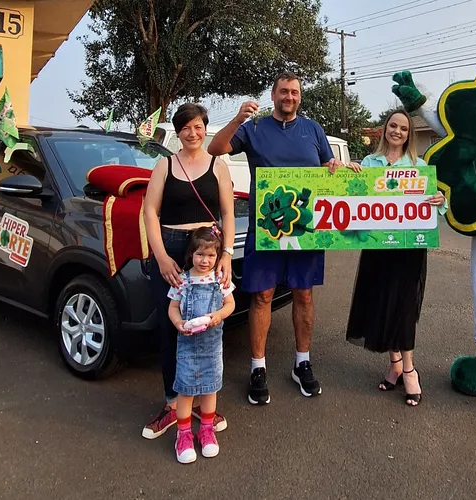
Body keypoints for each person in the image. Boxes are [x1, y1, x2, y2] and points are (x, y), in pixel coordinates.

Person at [207, 71, 358, 405]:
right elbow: (216, 149)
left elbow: (325, 167)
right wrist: (237, 118)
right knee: (262, 296)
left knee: (303, 295)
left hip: (306, 228)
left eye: (294, 92)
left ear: (299, 97)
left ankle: (301, 362)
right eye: (283, 92)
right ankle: (257, 367)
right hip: (267, 227)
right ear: (273, 95)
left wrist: (333, 167)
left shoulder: (313, 129)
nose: (289, 97)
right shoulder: (254, 128)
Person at [141, 103, 235, 439]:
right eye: (185, 128)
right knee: (172, 326)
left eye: (198, 126)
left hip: (208, 249)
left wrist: (225, 254)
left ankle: (200, 403)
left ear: (204, 127)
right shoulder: (164, 165)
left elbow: (227, 211)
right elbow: (149, 212)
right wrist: (162, 256)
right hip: (170, 245)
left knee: (208, 327)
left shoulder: (217, 165)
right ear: (177, 132)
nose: (192, 133)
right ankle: (172, 403)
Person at [345, 109, 445, 406]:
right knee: (382, 302)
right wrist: (347, 177)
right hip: (378, 246)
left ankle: (409, 368)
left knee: (403, 306)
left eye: (403, 128)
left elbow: (434, 206)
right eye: (393, 126)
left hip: (408, 249)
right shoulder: (367, 163)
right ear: (385, 128)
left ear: (409, 134)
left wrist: (441, 200)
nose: (397, 131)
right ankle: (395, 364)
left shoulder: (420, 166)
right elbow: (354, 197)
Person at [166, 227, 236, 464]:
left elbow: (230, 304)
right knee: (185, 390)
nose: (205, 261)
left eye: (210, 256)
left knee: (210, 388)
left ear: (217, 257)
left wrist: (219, 315)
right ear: (191, 254)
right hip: (186, 345)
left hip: (212, 346)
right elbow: (173, 307)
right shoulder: (183, 280)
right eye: (200, 255)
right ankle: (183, 435)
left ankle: (206, 429)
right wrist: (178, 323)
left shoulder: (220, 279)